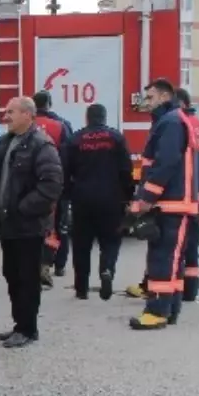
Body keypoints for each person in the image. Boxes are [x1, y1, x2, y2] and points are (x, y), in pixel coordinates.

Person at [0, 96, 64, 349]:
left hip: (28, 225)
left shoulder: (41, 144)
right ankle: (19, 325)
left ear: (28, 115)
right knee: (12, 276)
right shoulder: (7, 142)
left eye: (11, 112)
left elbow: (51, 185)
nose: (6, 116)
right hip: (9, 224)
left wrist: (22, 208)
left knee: (27, 279)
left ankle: (28, 329)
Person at [127, 78, 199, 331]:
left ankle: (157, 311)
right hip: (173, 202)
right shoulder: (171, 120)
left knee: (164, 258)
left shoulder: (170, 122)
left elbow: (165, 163)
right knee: (172, 260)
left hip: (171, 203)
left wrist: (146, 199)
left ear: (163, 97)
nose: (145, 103)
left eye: (149, 98)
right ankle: (169, 309)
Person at [65, 102, 133, 301]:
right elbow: (126, 171)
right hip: (111, 199)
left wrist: (69, 195)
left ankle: (81, 287)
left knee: (81, 245)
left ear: (87, 118)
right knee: (110, 240)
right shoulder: (116, 138)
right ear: (104, 118)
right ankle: (107, 269)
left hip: (82, 199)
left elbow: (65, 171)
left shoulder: (75, 139)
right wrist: (128, 197)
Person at [32, 90, 75, 287]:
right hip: (57, 184)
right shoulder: (61, 126)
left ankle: (37, 264)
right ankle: (58, 265)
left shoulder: (27, 125)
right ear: (49, 104)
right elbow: (68, 157)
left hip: (32, 185)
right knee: (60, 226)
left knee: (36, 225)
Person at [176, 87, 199, 302]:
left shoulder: (182, 126)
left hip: (184, 195)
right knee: (193, 244)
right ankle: (191, 290)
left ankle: (178, 290)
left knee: (177, 246)